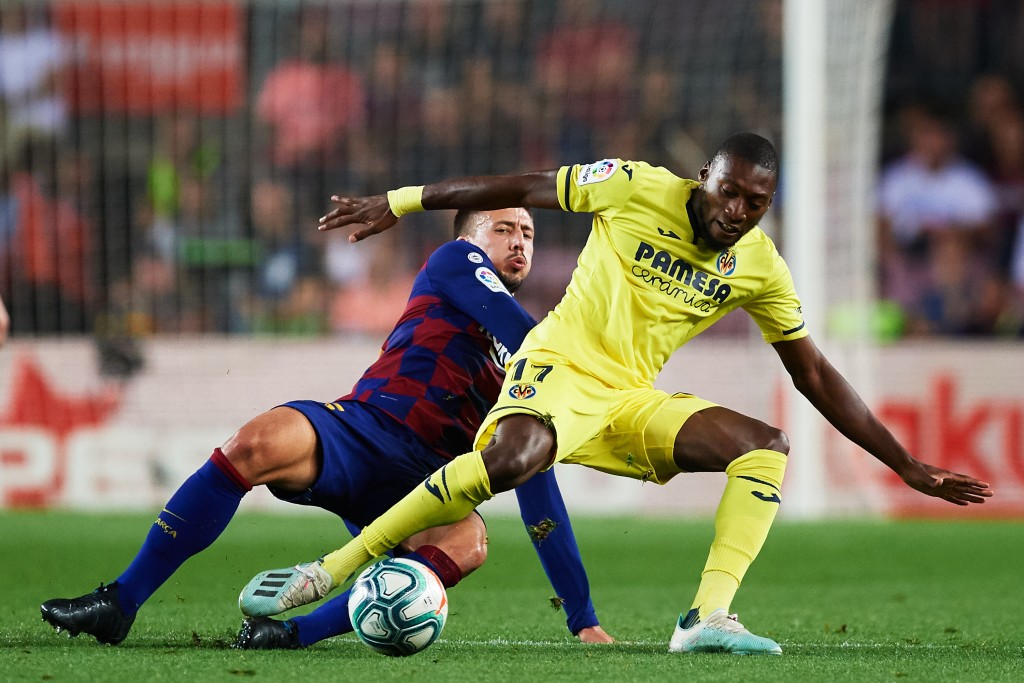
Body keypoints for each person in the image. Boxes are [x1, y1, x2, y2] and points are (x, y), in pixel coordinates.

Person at [240, 133, 994, 655]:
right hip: (558, 366)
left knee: (764, 446)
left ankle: (706, 617)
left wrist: (906, 464)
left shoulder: (760, 265)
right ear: (706, 175)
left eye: (755, 204)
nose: (738, 212)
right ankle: (332, 569)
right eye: (730, 193)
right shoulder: (632, 186)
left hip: (628, 397)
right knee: (515, 458)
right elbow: (524, 185)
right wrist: (404, 201)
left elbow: (815, 374)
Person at [40, 208, 612, 648]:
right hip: (358, 432)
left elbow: (538, 487)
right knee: (257, 441)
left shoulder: (528, 368)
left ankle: (295, 634)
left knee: (469, 540)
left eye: (530, 234)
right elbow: (531, 339)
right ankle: (123, 600)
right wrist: (572, 370)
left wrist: (583, 618)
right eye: (504, 228)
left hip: (423, 486)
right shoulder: (455, 265)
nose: (519, 242)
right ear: (470, 239)